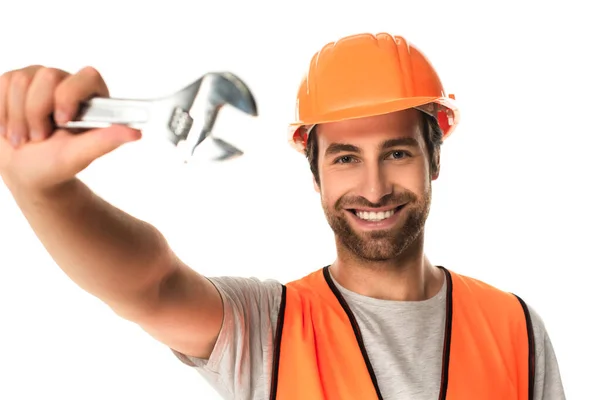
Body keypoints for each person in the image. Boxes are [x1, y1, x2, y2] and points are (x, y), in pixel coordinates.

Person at [0, 32, 565, 400]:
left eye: (396, 152)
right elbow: (153, 283)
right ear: (315, 172)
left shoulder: (516, 328)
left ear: (434, 157)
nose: (373, 188)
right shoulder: (267, 327)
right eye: (346, 158)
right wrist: (48, 195)